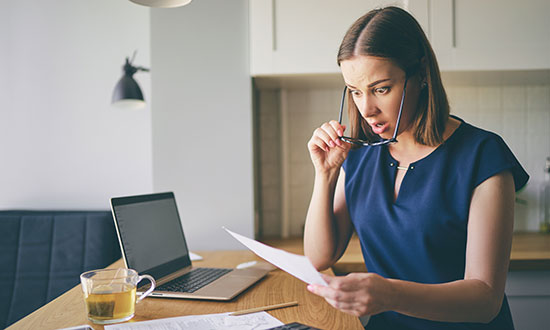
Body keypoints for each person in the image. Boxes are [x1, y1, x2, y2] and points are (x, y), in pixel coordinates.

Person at [303, 6, 528, 330]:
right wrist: (325, 175)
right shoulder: (358, 155)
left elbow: (485, 299)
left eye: (381, 89)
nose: (366, 109)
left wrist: (389, 294)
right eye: (354, 91)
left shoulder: (482, 155)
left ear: (421, 74)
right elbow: (319, 258)